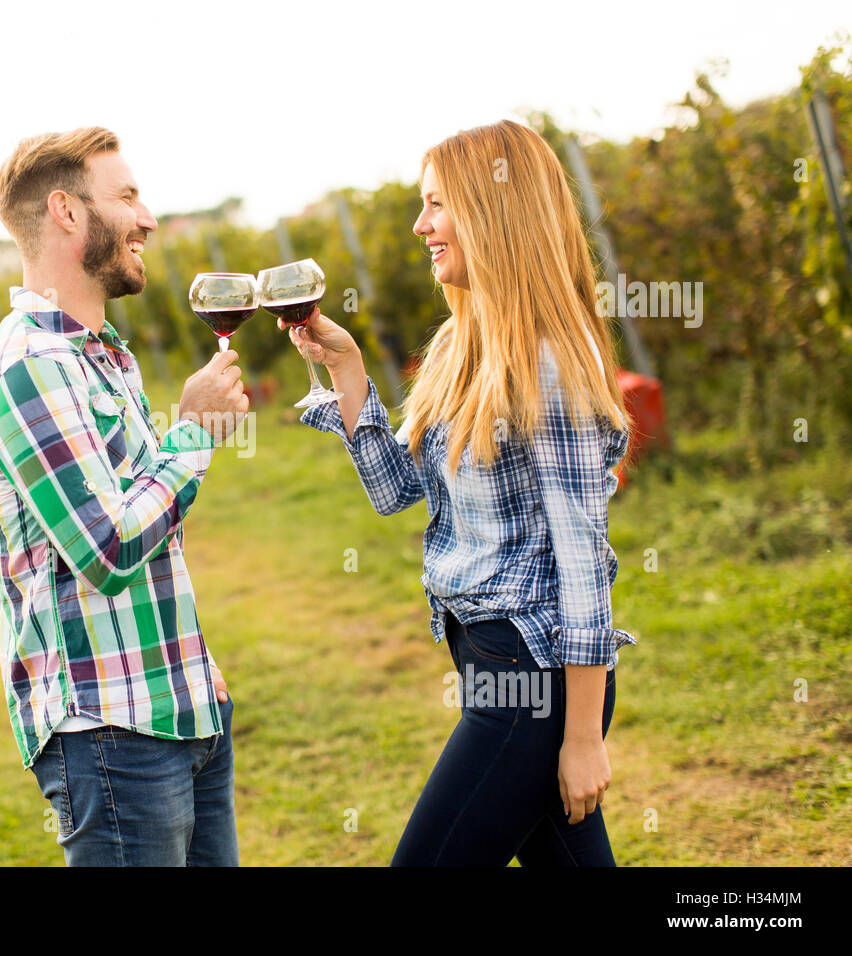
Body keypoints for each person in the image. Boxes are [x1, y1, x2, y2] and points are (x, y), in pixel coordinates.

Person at [286, 119, 635, 866]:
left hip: (531, 680)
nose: (420, 226)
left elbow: (583, 563)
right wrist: (348, 374)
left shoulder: (549, 363)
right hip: (484, 656)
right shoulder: (457, 346)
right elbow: (395, 490)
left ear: (492, 210)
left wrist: (580, 740)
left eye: (437, 204)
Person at [0, 127, 249, 866]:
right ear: (66, 211)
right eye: (126, 196)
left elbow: (145, 522)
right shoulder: (27, 368)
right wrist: (192, 433)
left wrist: (197, 669)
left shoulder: (100, 355)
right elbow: (108, 548)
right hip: (110, 735)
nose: (148, 218)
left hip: (181, 709)